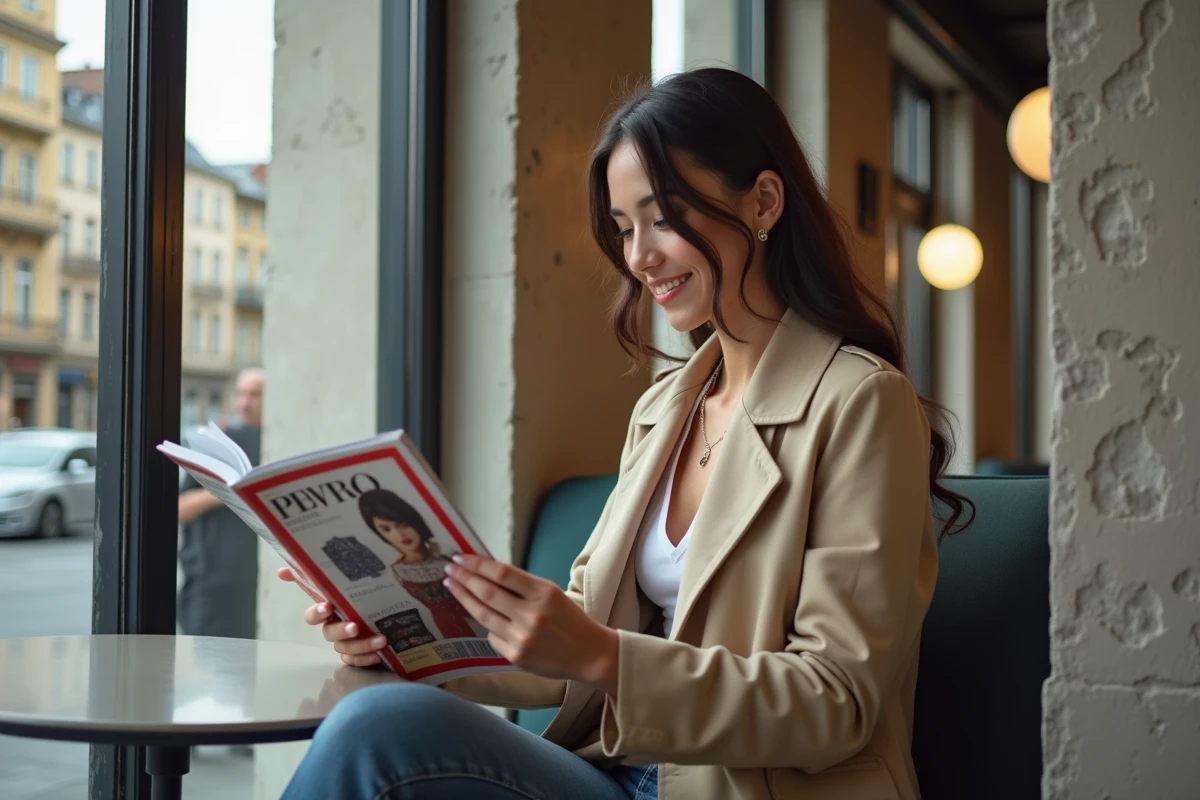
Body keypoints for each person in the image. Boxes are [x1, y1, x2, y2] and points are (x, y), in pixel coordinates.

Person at [277, 68, 972, 800]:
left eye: (663, 217)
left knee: (375, 734)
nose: (639, 257)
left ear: (764, 202)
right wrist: (408, 642)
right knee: (380, 711)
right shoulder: (665, 408)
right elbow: (574, 639)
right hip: (625, 774)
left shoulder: (862, 401)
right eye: (623, 227)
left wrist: (608, 657)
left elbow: (837, 700)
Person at [177, 367, 265, 640]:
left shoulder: (278, 442)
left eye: (255, 395)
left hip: (254, 584)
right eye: (240, 394)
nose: (244, 402)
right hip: (211, 584)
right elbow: (181, 508)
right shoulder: (219, 444)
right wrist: (226, 490)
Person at [357, 488, 484, 640]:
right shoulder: (396, 572)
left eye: (403, 524)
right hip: (440, 632)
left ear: (414, 522)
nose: (399, 534)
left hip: (481, 623)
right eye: (386, 529)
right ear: (380, 534)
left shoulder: (450, 557)